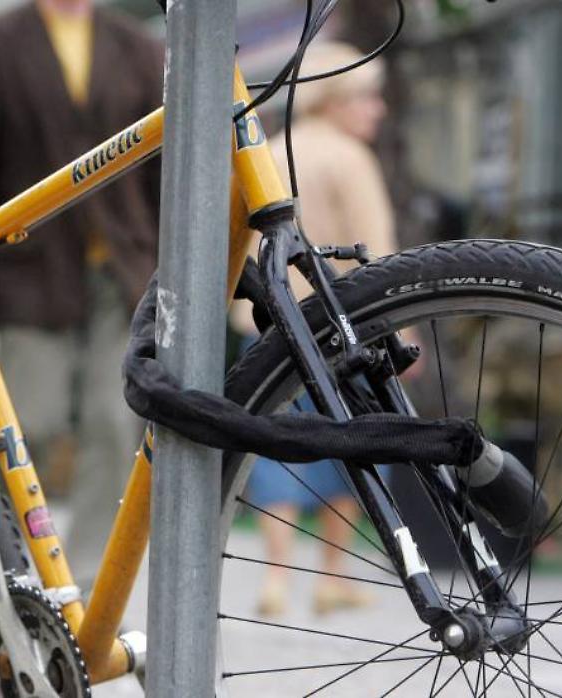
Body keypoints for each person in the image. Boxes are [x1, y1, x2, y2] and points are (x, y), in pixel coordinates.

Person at [0, 0, 164, 583]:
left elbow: (164, 167)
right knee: (24, 427)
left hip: (122, 271)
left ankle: (87, 587)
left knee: (114, 425)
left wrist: (175, 263)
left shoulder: (135, 45)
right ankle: (12, 576)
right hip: (28, 268)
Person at [233, 41, 396, 617]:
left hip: (268, 328)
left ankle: (275, 577)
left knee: (277, 449)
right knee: (353, 443)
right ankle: (332, 574)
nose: (376, 109)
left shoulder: (268, 150)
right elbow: (375, 255)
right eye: (366, 97)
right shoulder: (351, 158)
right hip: (339, 326)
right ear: (336, 99)